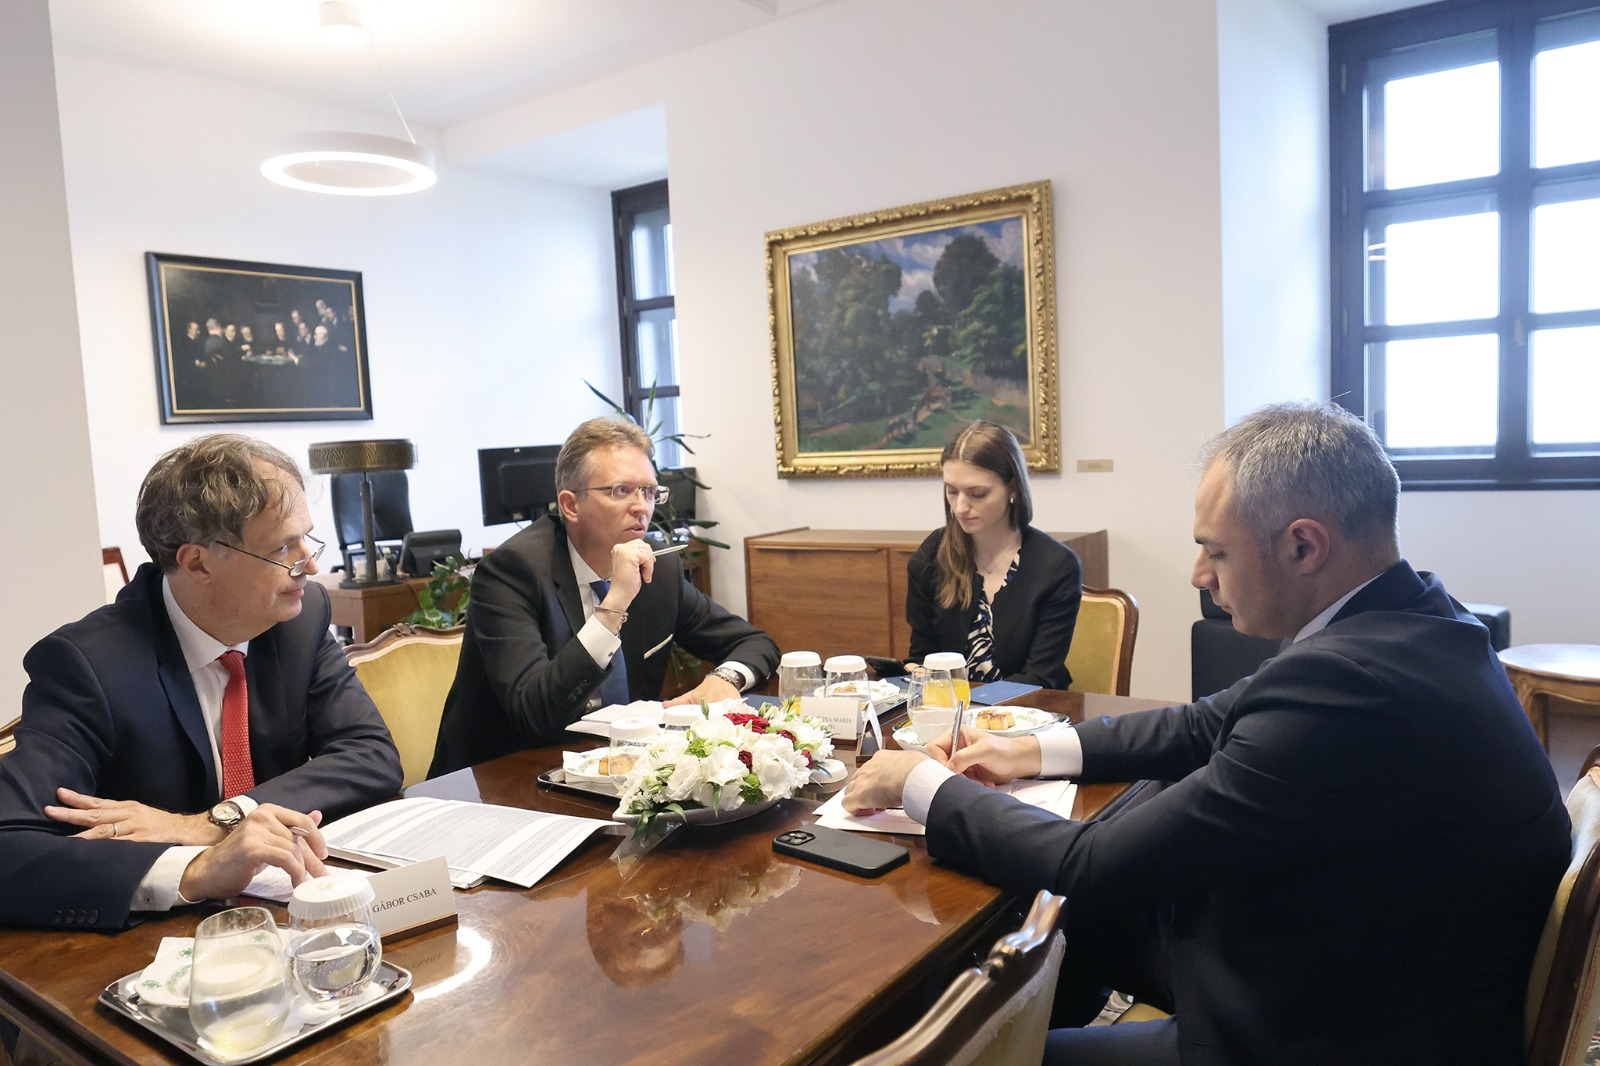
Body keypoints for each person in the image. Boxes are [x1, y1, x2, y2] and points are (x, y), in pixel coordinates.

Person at [846, 402, 1569, 1065]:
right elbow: (1201, 722)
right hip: (1343, 951)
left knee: (989, 1045)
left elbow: (1095, 864)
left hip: (1326, 1026)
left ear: (1304, 546)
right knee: (1070, 933)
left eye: (1215, 552)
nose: (1199, 575)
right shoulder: (1415, 618)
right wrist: (1026, 750)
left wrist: (922, 785)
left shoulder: (1347, 689)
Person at [0, 435, 402, 930]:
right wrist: (197, 868)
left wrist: (215, 822)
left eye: (307, 538)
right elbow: (9, 850)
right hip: (156, 944)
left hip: (288, 914)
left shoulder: (299, 616)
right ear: (198, 563)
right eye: (283, 547)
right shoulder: (88, 666)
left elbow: (370, 753)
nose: (311, 564)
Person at [429, 417, 780, 776]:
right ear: (570, 505)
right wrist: (614, 605)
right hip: (500, 779)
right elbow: (534, 714)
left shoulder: (658, 569)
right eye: (621, 490)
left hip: (618, 772)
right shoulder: (512, 572)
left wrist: (726, 678)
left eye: (649, 492)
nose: (641, 507)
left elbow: (756, 643)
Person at [906, 420, 1081, 688]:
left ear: (1013, 488)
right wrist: (915, 673)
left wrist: (975, 706)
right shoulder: (933, 554)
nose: (960, 507)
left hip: (1030, 709)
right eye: (951, 491)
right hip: (951, 708)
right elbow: (922, 657)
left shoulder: (1056, 566)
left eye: (977, 494)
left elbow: (1041, 677)